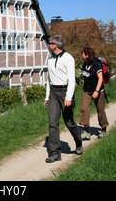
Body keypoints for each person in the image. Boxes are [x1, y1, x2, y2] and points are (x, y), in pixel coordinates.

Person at [44, 35, 83, 163]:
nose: (48, 45)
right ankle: (55, 153)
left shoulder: (68, 58)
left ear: (56, 45)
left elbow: (72, 79)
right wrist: (47, 96)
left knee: (69, 121)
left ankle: (78, 142)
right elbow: (49, 80)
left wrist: (68, 97)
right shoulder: (50, 59)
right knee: (52, 122)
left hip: (65, 91)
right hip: (54, 93)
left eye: (50, 43)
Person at [79, 47, 109, 140]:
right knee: (84, 109)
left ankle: (104, 129)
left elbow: (100, 78)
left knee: (100, 110)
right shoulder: (85, 64)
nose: (82, 55)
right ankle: (86, 131)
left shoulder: (96, 65)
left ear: (87, 55)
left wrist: (96, 91)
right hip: (87, 91)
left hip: (98, 91)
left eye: (83, 53)